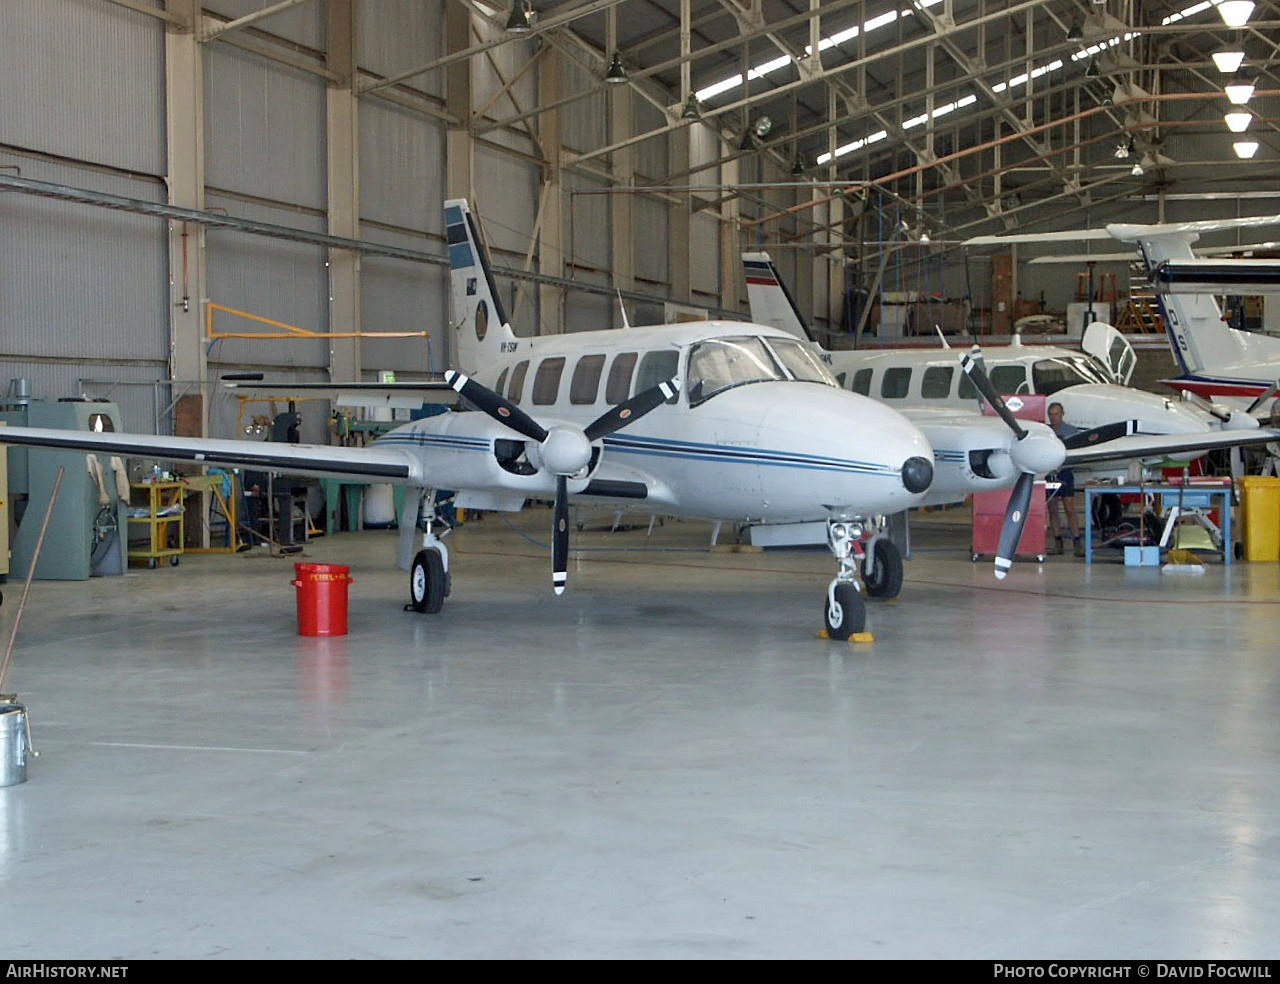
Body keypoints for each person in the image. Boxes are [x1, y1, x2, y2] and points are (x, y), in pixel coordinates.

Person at [1046, 402, 1084, 556]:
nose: (1053, 417)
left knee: (1070, 509)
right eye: (1051, 414)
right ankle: (1058, 542)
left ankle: (1077, 542)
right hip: (1049, 474)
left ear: (1062, 414)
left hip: (1065, 473)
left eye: (1056, 414)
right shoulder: (1046, 431)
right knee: (1052, 509)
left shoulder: (1071, 431)